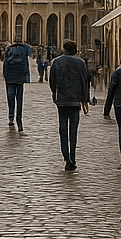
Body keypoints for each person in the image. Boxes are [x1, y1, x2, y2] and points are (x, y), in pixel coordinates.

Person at [48, 40, 90, 171]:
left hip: (62, 99)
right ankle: (72, 157)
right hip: (75, 100)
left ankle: (66, 157)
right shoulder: (80, 62)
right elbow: (84, 81)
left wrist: (55, 94)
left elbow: (52, 81)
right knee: (73, 130)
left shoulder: (56, 62)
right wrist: (85, 99)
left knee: (63, 129)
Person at [2, 39, 33, 131]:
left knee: (10, 98)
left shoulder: (9, 49)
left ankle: (11, 117)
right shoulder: (25, 49)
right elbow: (31, 52)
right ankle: (19, 119)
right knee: (19, 99)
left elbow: (5, 64)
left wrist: (5, 75)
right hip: (20, 77)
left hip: (10, 77)